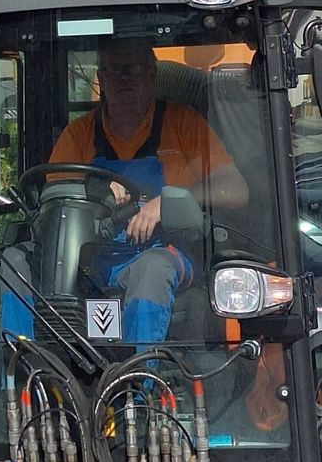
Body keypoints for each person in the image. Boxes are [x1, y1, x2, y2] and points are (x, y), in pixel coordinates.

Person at [48, 39, 248, 342]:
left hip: (168, 251)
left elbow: (235, 189)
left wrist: (167, 202)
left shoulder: (183, 124)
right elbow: (54, 198)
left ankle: (141, 370)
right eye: (115, 70)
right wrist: (94, 189)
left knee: (151, 269)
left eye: (133, 70)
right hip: (94, 257)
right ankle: (25, 364)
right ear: (101, 79)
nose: (124, 79)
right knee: (19, 261)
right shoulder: (79, 135)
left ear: (151, 75)